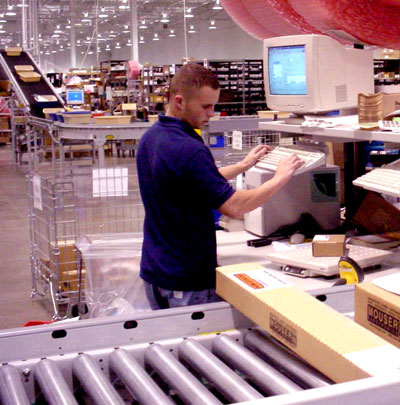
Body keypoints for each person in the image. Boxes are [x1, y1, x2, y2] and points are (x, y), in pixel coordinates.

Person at [136, 63, 303, 310]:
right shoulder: (189, 149)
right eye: (206, 106)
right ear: (179, 101)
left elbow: (194, 182)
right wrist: (280, 177)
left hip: (156, 273)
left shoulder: (153, 137)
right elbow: (234, 207)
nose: (212, 113)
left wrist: (244, 165)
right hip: (187, 281)